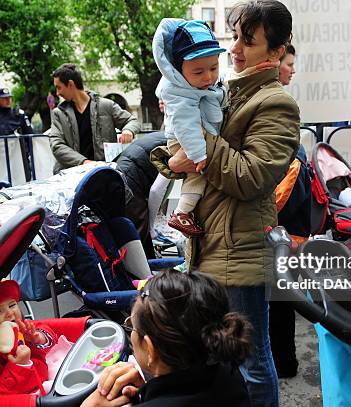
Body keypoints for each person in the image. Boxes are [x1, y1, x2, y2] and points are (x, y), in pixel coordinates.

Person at [157, 2, 300, 406]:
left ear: (275, 52)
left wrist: (198, 142)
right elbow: (182, 158)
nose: (235, 48)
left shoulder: (276, 103)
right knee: (224, 359)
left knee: (253, 361)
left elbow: (251, 177)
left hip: (242, 253)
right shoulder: (225, 91)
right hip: (213, 246)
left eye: (247, 40)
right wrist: (171, 157)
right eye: (235, 37)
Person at [82, 270, 253, 407]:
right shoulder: (228, 372)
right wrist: (147, 393)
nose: (131, 334)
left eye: (131, 326)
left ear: (150, 349)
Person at [153, 19, 226, 238]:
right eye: (198, 72)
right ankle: (182, 212)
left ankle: (183, 212)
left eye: (214, 68)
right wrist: (198, 153)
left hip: (193, 139)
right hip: (185, 141)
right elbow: (186, 125)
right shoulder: (179, 93)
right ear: (177, 70)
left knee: (196, 176)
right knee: (198, 176)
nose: (208, 77)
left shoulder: (198, 85)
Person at [49, 63, 141, 173]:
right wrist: (84, 162)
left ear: (70, 84)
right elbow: (57, 145)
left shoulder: (106, 105)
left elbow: (132, 121)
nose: (58, 93)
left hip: (102, 174)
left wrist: (128, 130)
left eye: (59, 87)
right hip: (71, 175)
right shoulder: (58, 114)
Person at [269, 42, 299, 379]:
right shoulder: (277, 101)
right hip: (285, 216)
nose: (291, 69)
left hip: (280, 216)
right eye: (288, 63)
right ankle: (285, 362)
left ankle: (285, 362)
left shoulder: (279, 104)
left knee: (279, 293)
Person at [115, 132, 167, 258]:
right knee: (139, 241)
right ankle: (144, 275)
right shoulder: (179, 147)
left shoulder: (167, 136)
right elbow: (156, 191)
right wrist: (150, 227)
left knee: (129, 235)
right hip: (131, 181)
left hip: (120, 174)